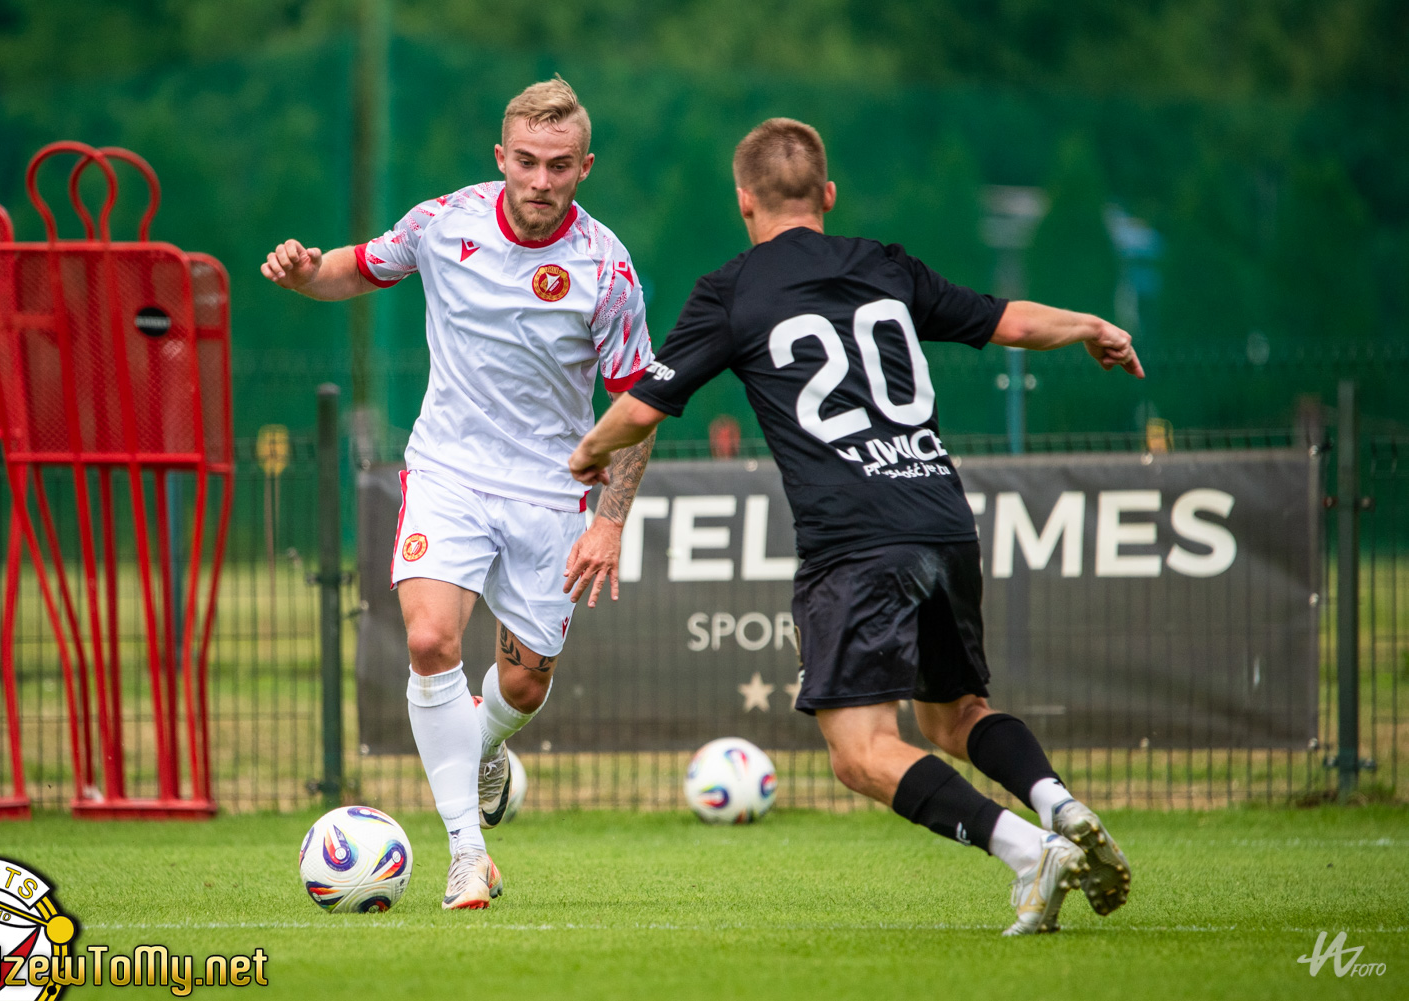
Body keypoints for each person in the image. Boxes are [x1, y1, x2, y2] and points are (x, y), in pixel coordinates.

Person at [569, 118, 1139, 935]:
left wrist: (586, 450)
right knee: (955, 716)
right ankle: (1059, 802)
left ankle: (1030, 848)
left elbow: (643, 406)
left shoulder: (731, 289)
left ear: (744, 202)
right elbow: (1007, 320)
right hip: (942, 519)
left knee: (861, 752)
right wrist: (1090, 325)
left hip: (855, 540)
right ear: (827, 195)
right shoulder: (885, 265)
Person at [262, 77, 655, 910]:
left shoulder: (606, 268)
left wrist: (609, 522)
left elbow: (637, 410)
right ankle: (467, 854)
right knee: (432, 639)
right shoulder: (446, 223)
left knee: (523, 685)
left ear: (585, 166)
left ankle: (482, 750)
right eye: (525, 162)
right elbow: (356, 269)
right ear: (500, 158)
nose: (540, 181)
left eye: (559, 166)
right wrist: (304, 274)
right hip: (449, 471)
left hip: (554, 495)